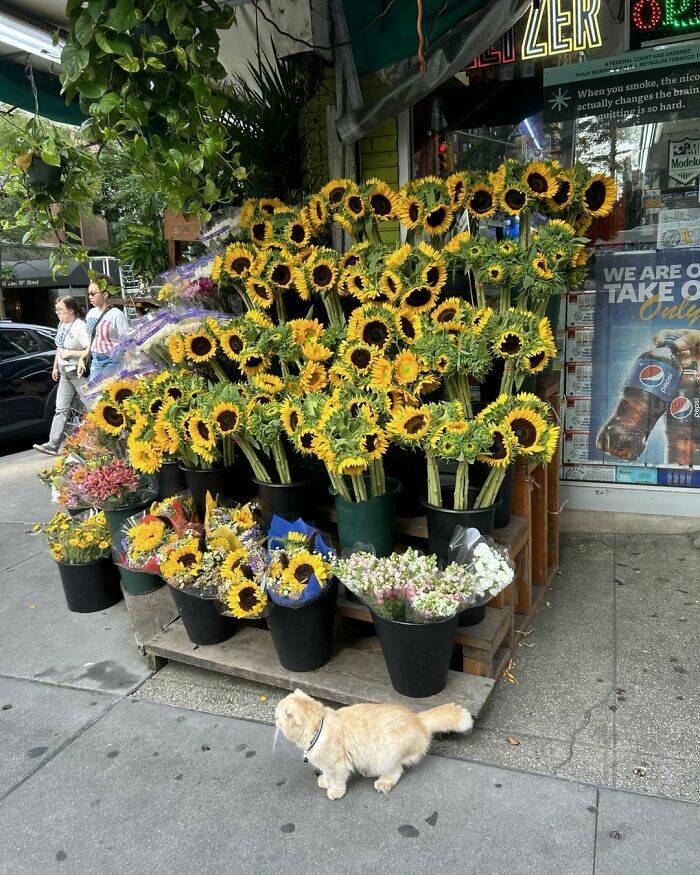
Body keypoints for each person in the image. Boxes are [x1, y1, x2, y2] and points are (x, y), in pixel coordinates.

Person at [33, 296, 90, 456]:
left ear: (71, 310)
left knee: (91, 405)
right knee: (61, 409)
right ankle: (52, 444)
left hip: (77, 372)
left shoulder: (80, 326)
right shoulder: (61, 324)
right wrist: (55, 366)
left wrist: (70, 353)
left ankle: (102, 438)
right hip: (65, 372)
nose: (58, 314)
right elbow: (59, 347)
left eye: (61, 310)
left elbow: (88, 349)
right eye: (56, 310)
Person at [78, 275, 129, 384]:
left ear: (105, 294)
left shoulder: (117, 315)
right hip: (95, 361)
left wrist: (131, 367)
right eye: (88, 294)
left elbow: (127, 343)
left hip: (113, 361)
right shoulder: (91, 313)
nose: (90, 297)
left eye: (92, 293)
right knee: (94, 396)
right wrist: (82, 357)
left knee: (109, 395)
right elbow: (92, 339)